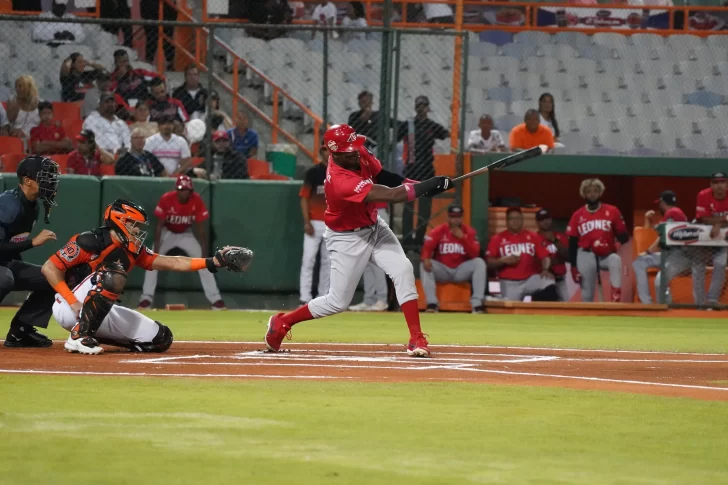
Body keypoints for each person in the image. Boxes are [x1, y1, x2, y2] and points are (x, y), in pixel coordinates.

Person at [264, 124, 454, 357]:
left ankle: (416, 337)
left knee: (403, 269)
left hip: (373, 226)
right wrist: (428, 185)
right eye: (349, 150)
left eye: (355, 147)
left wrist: (420, 186)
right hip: (347, 238)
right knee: (338, 302)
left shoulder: (357, 153)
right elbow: (391, 195)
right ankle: (283, 321)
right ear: (334, 153)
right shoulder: (340, 180)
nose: (356, 152)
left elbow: (385, 177)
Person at [43, 199, 243, 355]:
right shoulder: (90, 240)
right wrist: (72, 302)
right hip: (68, 306)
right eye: (134, 224)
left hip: (93, 311)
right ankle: (79, 336)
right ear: (120, 221)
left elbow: (173, 262)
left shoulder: (133, 250)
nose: (138, 230)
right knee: (114, 273)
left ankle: (88, 333)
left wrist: (213, 262)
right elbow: (49, 268)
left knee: (159, 338)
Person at [139, 176, 225, 310]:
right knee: (151, 261)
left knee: (205, 263)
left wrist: (203, 253)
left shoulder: (196, 200)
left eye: (187, 189)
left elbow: (201, 230)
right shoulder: (167, 198)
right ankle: (146, 299)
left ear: (191, 191)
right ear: (176, 190)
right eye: (181, 189)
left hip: (186, 234)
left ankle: (216, 300)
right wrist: (156, 249)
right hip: (167, 233)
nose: (184, 192)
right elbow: (159, 226)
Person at [1, 156, 61, 348]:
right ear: (27, 180)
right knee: (4, 278)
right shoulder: (8, 204)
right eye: (45, 177)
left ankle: (21, 331)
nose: (50, 182)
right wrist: (32, 243)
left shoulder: (32, 204)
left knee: (54, 277)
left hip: (5, 263)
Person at [397, 95, 450, 248]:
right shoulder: (408, 125)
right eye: (419, 105)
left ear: (428, 108)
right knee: (409, 209)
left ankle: (419, 241)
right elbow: (396, 136)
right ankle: (407, 242)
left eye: (424, 105)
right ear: (415, 108)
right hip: (411, 171)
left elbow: (446, 134)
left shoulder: (432, 126)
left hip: (427, 172)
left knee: (424, 210)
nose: (421, 108)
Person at [566, 178, 629, 303]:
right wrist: (573, 266)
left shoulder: (612, 211)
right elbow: (572, 242)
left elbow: (624, 235)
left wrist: (617, 243)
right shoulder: (578, 215)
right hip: (586, 253)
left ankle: (615, 297)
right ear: (584, 194)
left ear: (600, 193)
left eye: (595, 191)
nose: (592, 194)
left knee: (615, 260)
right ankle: (587, 317)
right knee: (587, 293)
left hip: (606, 253)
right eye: (589, 191)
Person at [420, 204, 486, 313]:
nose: (455, 220)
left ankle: (477, 304)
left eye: (458, 217)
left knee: (479, 263)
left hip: (461, 270)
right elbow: (427, 247)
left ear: (462, 218)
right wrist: (426, 258)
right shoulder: (439, 230)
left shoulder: (469, 232)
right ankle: (432, 304)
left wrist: (462, 238)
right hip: (443, 269)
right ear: (448, 217)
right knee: (425, 264)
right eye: (453, 217)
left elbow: (475, 254)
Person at [486, 207, 557, 302]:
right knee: (509, 310)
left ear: (522, 220)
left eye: (518, 218)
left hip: (530, 279)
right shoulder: (497, 238)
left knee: (548, 281)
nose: (515, 221)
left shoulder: (533, 236)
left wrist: (545, 270)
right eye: (512, 218)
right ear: (507, 221)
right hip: (509, 282)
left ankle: (539, 310)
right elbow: (489, 262)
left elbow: (545, 257)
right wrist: (503, 261)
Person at [632, 191, 688, 304]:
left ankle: (666, 309)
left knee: (660, 280)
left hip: (680, 256)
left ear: (663, 203)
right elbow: (656, 231)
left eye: (659, 203)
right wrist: (648, 220)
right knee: (639, 262)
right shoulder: (674, 213)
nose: (659, 206)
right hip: (669, 254)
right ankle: (647, 303)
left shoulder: (673, 212)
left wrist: (647, 252)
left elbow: (662, 239)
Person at [298, 146, 331, 305]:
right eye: (324, 149)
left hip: (333, 224)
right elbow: (304, 197)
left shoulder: (341, 172)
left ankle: (323, 298)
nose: (328, 152)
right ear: (321, 152)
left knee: (328, 262)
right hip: (315, 222)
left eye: (330, 149)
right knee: (308, 260)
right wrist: (307, 221)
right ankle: (305, 298)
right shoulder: (313, 172)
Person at [690, 172, 728, 306]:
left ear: (727, 184)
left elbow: (710, 219)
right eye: (716, 183)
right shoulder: (703, 195)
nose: (719, 186)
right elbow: (703, 218)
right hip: (704, 235)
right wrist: (723, 220)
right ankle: (699, 302)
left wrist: (718, 223)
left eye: (722, 182)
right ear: (711, 185)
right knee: (698, 265)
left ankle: (712, 300)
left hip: (722, 236)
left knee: (721, 263)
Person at [535, 208, 569, 301]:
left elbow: (569, 256)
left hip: (561, 279)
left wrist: (555, 241)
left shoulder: (560, 236)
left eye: (547, 218)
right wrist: (554, 260)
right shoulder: (534, 238)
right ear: (537, 223)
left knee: (567, 308)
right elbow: (535, 261)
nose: (545, 222)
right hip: (544, 279)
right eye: (541, 220)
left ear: (551, 219)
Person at [6, 75, 41, 144]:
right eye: (16, 86)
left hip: (35, 137)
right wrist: (18, 103)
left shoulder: (39, 102)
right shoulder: (12, 100)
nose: (17, 89)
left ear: (28, 87)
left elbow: (46, 122)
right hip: (18, 136)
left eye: (20, 86)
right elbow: (10, 119)